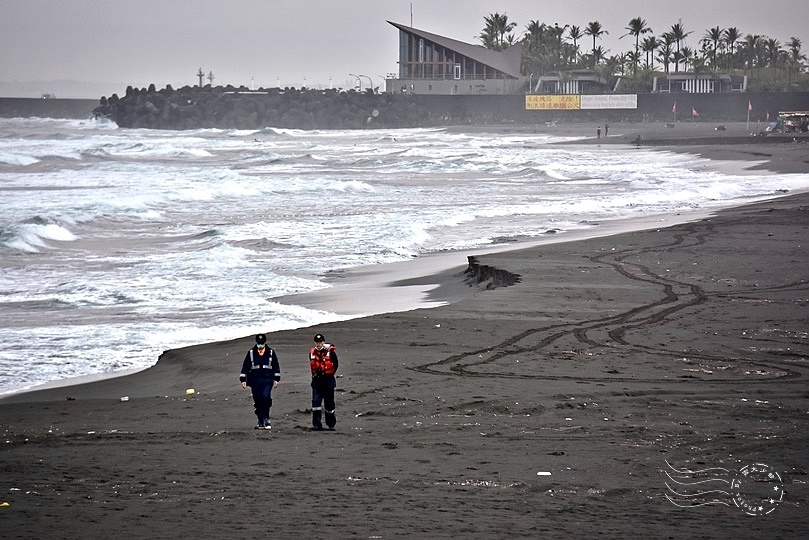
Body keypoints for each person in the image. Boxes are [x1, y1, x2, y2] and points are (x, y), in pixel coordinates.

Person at [239, 333, 281, 430]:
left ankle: (267, 418)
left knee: (266, 398)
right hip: (255, 381)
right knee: (257, 400)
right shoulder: (250, 353)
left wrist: (276, 379)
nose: (260, 346)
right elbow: (245, 366)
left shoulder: (271, 352)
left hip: (267, 380)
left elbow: (276, 366)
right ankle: (260, 420)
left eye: (262, 343)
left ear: (265, 343)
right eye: (259, 343)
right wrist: (243, 379)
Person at [309, 333, 339, 430]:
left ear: (323, 342)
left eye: (320, 342)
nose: (318, 344)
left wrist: (330, 374)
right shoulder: (312, 353)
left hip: (328, 380)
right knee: (316, 402)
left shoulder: (331, 353)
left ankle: (331, 424)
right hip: (317, 381)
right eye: (317, 342)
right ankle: (316, 424)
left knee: (329, 403)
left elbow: (336, 364)